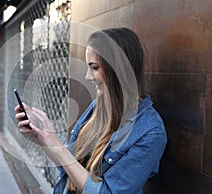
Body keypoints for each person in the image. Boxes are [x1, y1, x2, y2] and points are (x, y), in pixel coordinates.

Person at [15, 27, 167, 194]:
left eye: (94, 67)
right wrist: (41, 137)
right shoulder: (96, 108)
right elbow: (67, 165)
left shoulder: (150, 132)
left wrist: (57, 145)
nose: (88, 76)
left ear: (118, 69)